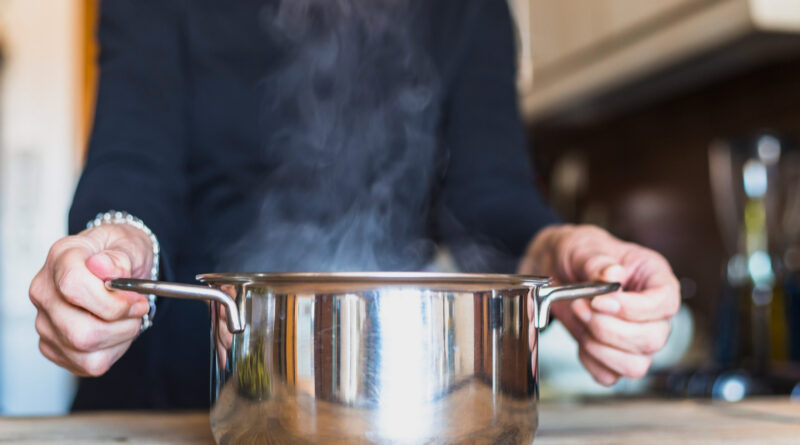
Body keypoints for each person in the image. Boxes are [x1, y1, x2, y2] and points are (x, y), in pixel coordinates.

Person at [28, 0, 680, 410]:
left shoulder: (468, 9)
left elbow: (492, 198)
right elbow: (132, 164)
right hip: (161, 403)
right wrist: (113, 247)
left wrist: (560, 254)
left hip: (383, 407)